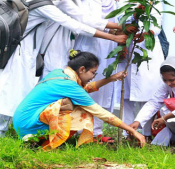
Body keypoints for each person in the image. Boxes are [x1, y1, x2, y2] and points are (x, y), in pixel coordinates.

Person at [0, 0, 127, 137]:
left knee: (15, 91)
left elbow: (84, 17)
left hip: (18, 49)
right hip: (20, 52)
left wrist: (117, 27)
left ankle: (11, 131)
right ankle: (0, 134)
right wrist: (112, 36)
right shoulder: (44, 3)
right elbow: (75, 24)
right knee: (11, 91)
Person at [13, 50, 146, 150]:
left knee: (71, 104)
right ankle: (49, 143)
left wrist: (111, 78)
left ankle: (39, 139)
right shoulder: (70, 85)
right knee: (83, 110)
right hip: (29, 126)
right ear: (82, 69)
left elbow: (84, 88)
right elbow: (99, 112)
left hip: (21, 123)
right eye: (93, 72)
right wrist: (131, 130)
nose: (93, 76)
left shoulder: (59, 73)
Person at [40, 0, 126, 78]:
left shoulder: (76, 1)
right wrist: (117, 31)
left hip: (65, 46)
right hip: (55, 46)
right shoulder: (63, 0)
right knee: (55, 77)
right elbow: (85, 20)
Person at [74, 0, 123, 141]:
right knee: (87, 86)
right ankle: (81, 130)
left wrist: (120, 46)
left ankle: (97, 132)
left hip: (109, 48)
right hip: (90, 46)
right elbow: (90, 22)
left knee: (104, 87)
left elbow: (119, 21)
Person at [113, 0, 164, 138]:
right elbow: (119, 25)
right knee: (126, 93)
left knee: (146, 91)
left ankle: (147, 133)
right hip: (127, 50)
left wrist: (143, 35)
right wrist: (123, 41)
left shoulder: (152, 1)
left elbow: (156, 27)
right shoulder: (122, 3)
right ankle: (128, 133)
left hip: (145, 50)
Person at [128, 56, 175, 146]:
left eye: (172, 80)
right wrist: (138, 121)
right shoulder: (167, 86)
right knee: (165, 111)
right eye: (165, 80)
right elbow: (154, 103)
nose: (168, 83)